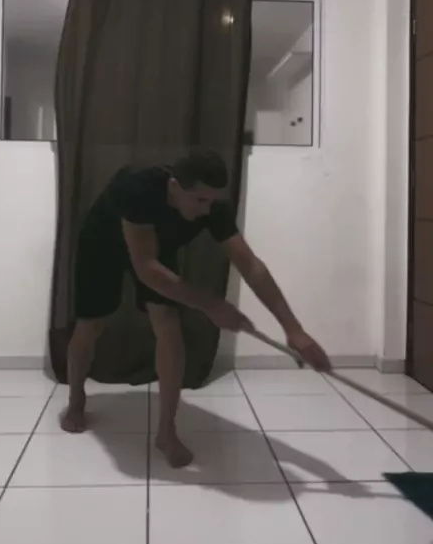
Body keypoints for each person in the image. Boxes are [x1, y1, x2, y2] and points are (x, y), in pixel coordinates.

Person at [61, 149, 331, 466]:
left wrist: (294, 330)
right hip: (103, 244)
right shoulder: (137, 186)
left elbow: (251, 265)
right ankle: (76, 399)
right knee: (91, 325)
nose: (206, 209)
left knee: (168, 323)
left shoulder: (212, 206)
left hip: (155, 246)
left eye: (212, 201)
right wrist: (211, 306)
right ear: (175, 187)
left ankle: (167, 431)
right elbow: (145, 268)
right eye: (200, 200)